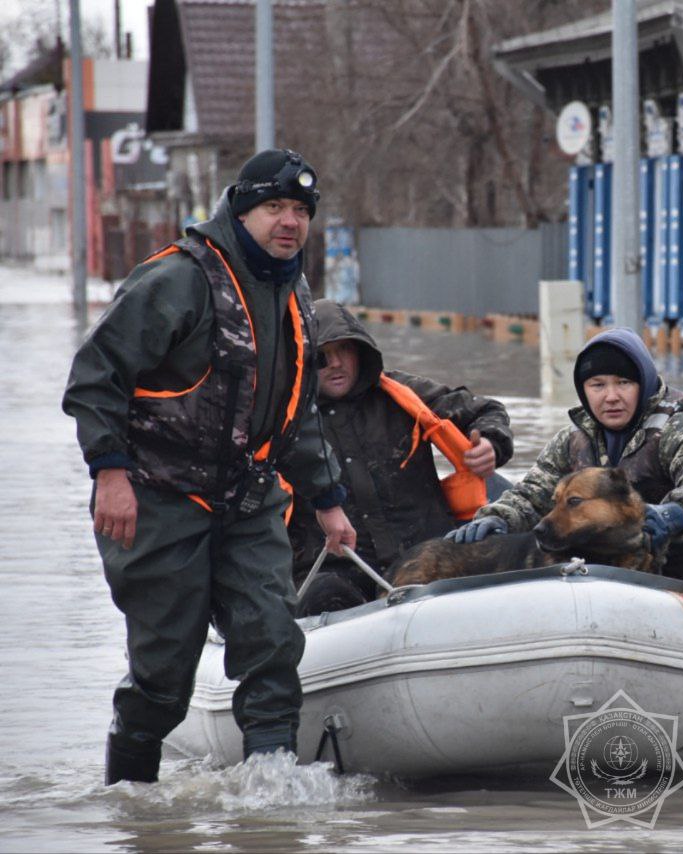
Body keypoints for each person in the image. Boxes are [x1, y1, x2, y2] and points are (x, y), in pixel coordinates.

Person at [63, 148, 357, 785]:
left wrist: (328, 500)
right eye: (274, 207)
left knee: (274, 646)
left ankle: (271, 804)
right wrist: (109, 475)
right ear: (242, 210)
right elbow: (95, 377)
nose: (290, 222)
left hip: (249, 501)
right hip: (160, 498)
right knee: (165, 675)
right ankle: (130, 799)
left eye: (301, 210)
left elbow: (297, 411)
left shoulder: (294, 290)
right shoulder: (177, 279)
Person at [448, 327, 683, 610]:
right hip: (609, 579)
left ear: (643, 383)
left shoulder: (681, 427)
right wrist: (497, 519)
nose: (611, 396)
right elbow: (533, 495)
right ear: (584, 390)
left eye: (623, 383)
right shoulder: (573, 440)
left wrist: (673, 514)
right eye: (598, 385)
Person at [288, 299, 514, 615]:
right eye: (324, 356)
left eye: (346, 350)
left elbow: (486, 409)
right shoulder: (282, 417)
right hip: (338, 570)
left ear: (361, 352)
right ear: (305, 360)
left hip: (426, 556)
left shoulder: (403, 393)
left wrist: (491, 444)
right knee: (322, 594)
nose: (337, 363)